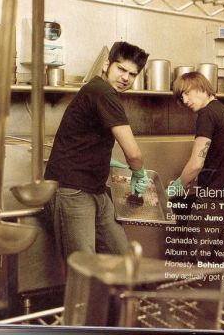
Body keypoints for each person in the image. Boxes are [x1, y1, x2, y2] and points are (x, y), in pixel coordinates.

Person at [44, 41, 150, 260]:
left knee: (123, 259)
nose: (125, 78)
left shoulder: (99, 91)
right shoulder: (103, 92)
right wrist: (139, 172)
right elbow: (133, 153)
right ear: (106, 65)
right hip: (73, 190)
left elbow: (85, 140)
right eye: (121, 69)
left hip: (96, 189)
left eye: (132, 74)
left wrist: (108, 161)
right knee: (83, 267)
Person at [169, 72, 224, 265]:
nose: (185, 100)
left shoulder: (206, 114)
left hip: (212, 203)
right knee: (222, 262)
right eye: (181, 97)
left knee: (195, 261)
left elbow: (196, 163)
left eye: (187, 93)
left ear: (201, 87)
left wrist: (176, 187)